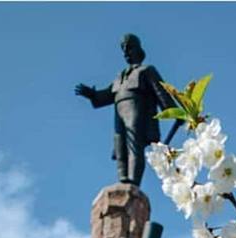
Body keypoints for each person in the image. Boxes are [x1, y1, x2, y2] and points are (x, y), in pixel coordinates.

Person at [75, 34, 179, 187]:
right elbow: (106, 95)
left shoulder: (146, 70)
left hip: (136, 108)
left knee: (134, 143)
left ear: (138, 49)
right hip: (119, 110)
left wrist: (174, 112)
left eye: (129, 48)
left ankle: (133, 181)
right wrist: (92, 94)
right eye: (123, 49)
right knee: (120, 144)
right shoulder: (120, 77)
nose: (126, 52)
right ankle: (123, 177)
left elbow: (160, 91)